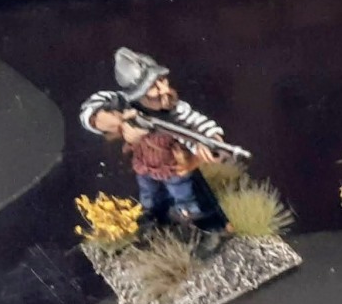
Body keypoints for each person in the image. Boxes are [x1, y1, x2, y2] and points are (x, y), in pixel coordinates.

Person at [80, 48, 230, 232]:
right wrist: (104, 120)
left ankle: (193, 225)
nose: (164, 90)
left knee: (185, 200)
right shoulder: (125, 103)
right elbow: (93, 106)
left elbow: (197, 125)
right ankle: (152, 223)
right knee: (149, 200)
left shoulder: (176, 110)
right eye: (153, 87)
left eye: (162, 80)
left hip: (172, 167)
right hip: (144, 167)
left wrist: (211, 141)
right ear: (137, 93)